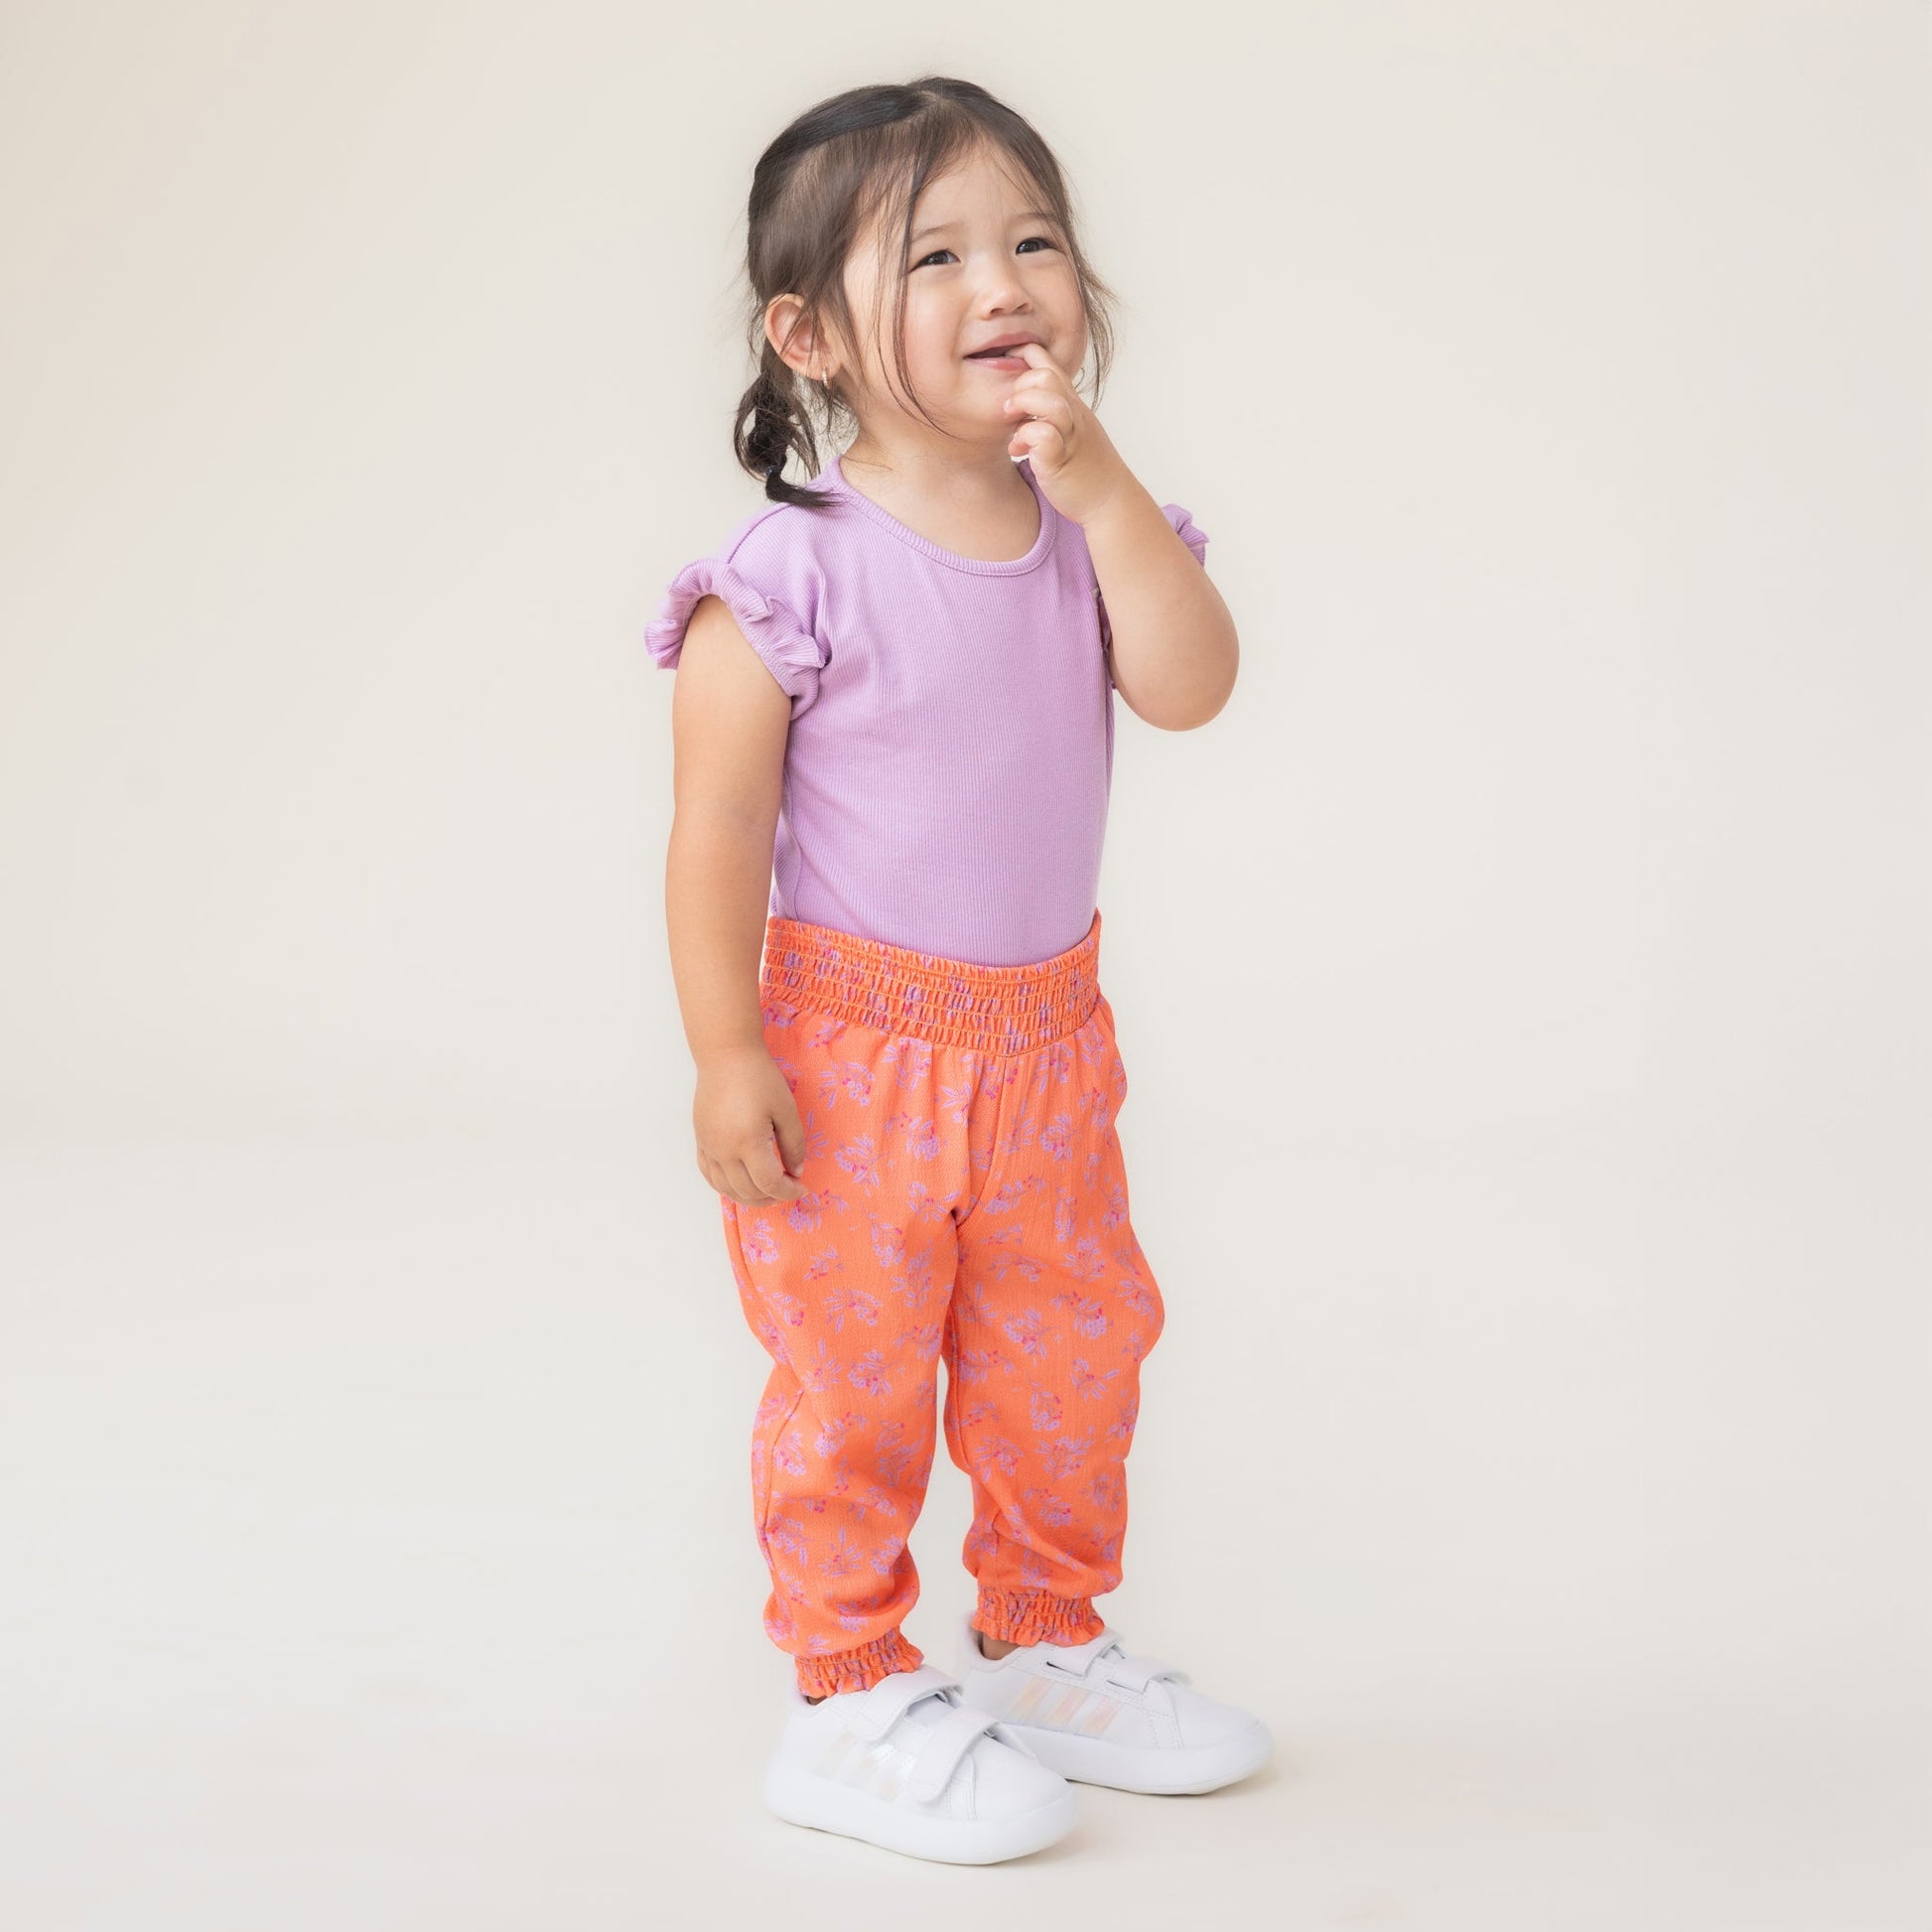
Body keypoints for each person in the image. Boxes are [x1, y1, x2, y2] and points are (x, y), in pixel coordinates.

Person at [645, 75, 1270, 1863]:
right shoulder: (786, 576)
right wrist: (724, 1050)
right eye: (933, 257)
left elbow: (1192, 683)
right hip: (853, 1063)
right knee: (852, 1381)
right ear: (807, 337)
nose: (1002, 282)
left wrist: (1106, 487)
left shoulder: (1086, 534)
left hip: (1049, 1050)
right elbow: (714, 835)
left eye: (1033, 240)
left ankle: (1043, 1638)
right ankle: (845, 1688)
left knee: (1071, 1354)